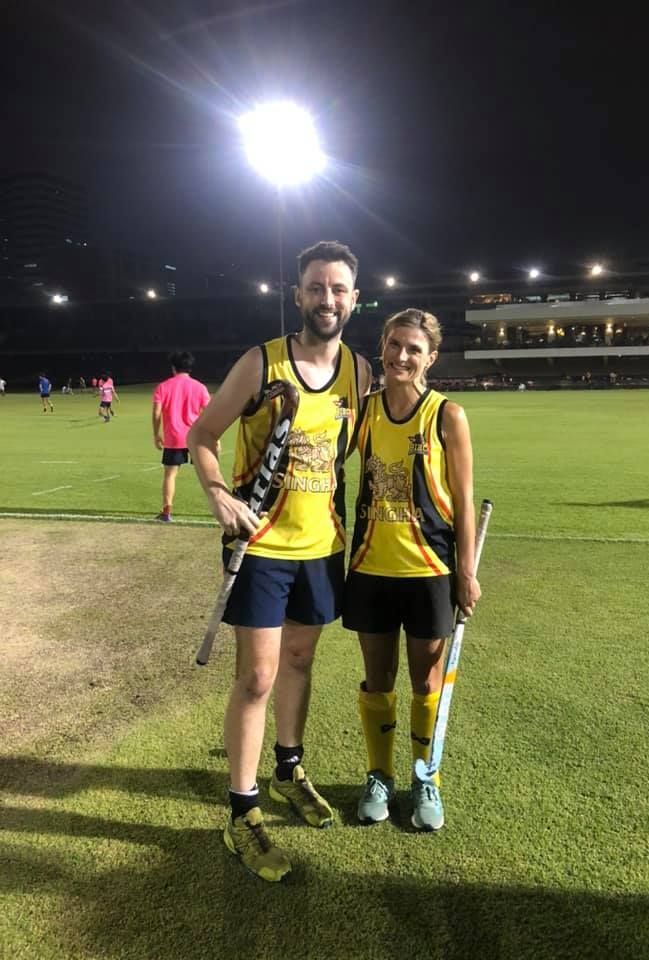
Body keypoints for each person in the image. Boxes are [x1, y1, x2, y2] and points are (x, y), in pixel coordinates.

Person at [188, 240, 372, 882]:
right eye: (316, 287)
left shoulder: (360, 370)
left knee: (300, 660)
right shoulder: (262, 362)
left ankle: (290, 769)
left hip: (322, 548)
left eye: (339, 288)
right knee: (258, 677)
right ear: (297, 295)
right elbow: (202, 435)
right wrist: (217, 494)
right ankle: (243, 811)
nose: (328, 298)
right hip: (260, 546)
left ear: (354, 296)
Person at [342, 308, 481, 833]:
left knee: (426, 680)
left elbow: (464, 501)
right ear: (382, 346)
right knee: (378, 679)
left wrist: (465, 571)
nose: (402, 356)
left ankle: (427, 778)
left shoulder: (447, 415)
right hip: (372, 567)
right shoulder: (364, 411)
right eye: (395, 345)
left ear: (431, 357)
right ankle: (379, 775)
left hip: (430, 569)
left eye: (414, 349)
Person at [152, 351, 211, 522]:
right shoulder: (200, 387)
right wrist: (214, 438)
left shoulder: (163, 387)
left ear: (173, 368)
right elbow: (209, 414)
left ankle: (166, 512)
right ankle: (220, 510)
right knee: (207, 474)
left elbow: (156, 413)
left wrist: (157, 434)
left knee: (170, 475)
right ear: (190, 368)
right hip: (196, 437)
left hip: (173, 438)